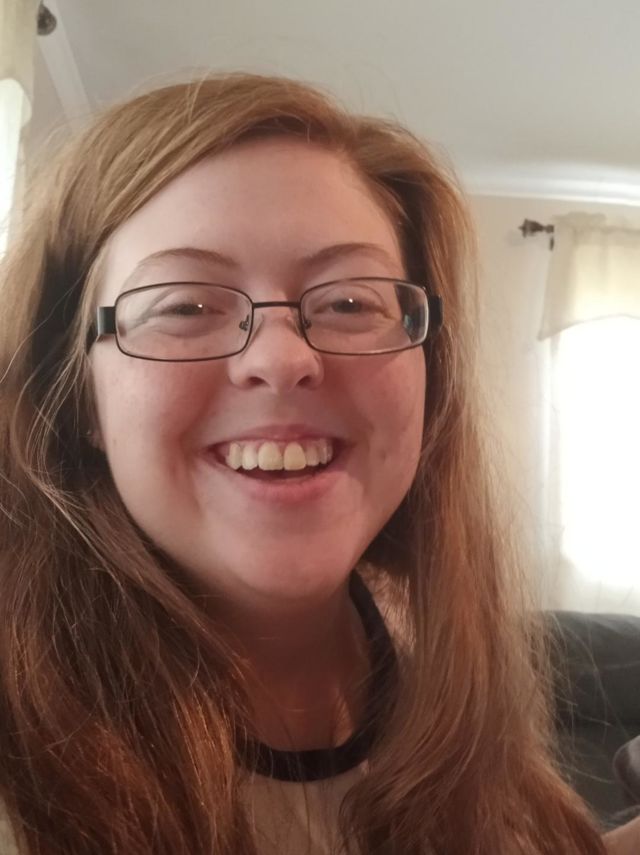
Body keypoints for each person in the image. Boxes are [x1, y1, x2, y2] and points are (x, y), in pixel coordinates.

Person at [0, 72, 622, 854]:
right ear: (78, 397)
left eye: (350, 302)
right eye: (186, 305)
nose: (283, 358)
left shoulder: (424, 637)